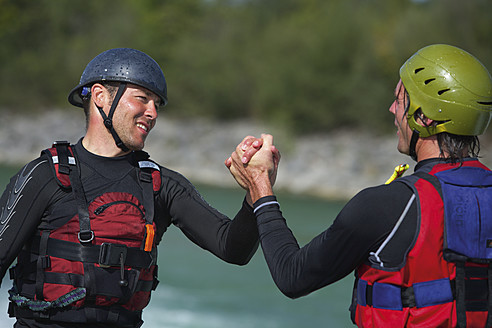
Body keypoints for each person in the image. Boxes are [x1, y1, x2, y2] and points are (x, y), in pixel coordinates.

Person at [226, 44, 492, 327]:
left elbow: (292, 275)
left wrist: (260, 184)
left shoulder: (384, 206)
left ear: (424, 118)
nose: (392, 109)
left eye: (400, 101)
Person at [0, 48, 260, 328]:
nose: (152, 113)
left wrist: (257, 188)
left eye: (157, 104)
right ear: (100, 96)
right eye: (143, 98)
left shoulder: (163, 186)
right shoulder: (45, 175)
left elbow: (234, 249)